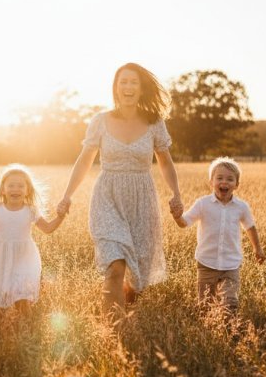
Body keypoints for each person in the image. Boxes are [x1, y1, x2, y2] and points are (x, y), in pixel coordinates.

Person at [57, 62, 183, 321]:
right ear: (115, 87)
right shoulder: (100, 121)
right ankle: (112, 329)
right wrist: (67, 194)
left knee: (137, 277)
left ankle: (126, 325)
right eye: (123, 82)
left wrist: (176, 193)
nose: (128, 87)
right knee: (115, 266)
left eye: (133, 82)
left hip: (142, 200)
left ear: (141, 88)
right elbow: (84, 159)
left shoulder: (154, 122)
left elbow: (165, 162)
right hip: (107, 198)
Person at [0, 164, 66, 312]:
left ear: (27, 190)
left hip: (25, 257)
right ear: (3, 190)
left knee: (22, 296)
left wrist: (60, 216)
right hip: (1, 257)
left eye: (20, 186)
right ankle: (6, 328)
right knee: (3, 296)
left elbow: (48, 228)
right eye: (11, 185)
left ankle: (25, 326)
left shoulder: (31, 210)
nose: (15, 189)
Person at [173, 157, 265, 317]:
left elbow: (250, 227)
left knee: (230, 304)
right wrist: (177, 217)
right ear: (211, 182)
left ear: (237, 184)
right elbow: (184, 222)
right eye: (220, 178)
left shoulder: (241, 207)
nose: (225, 182)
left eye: (230, 179)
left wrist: (258, 249)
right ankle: (209, 335)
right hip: (206, 264)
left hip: (231, 265)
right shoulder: (202, 204)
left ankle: (228, 332)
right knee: (205, 307)